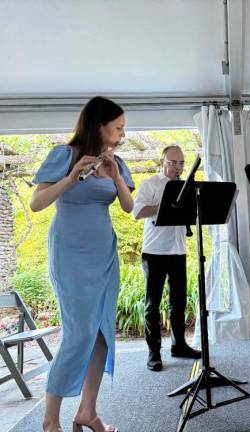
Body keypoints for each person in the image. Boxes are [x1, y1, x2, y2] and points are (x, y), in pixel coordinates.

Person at [30, 96, 134, 432]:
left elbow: (129, 206)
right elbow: (36, 203)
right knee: (79, 334)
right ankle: (50, 420)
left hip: (104, 254)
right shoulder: (63, 155)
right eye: (117, 127)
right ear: (98, 125)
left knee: (103, 332)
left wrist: (115, 176)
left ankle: (87, 412)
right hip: (70, 254)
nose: (121, 134)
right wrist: (72, 177)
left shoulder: (116, 161)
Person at [133, 145, 201, 372]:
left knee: (178, 302)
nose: (178, 167)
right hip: (154, 252)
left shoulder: (187, 186)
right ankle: (153, 353)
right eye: (173, 163)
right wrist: (163, 205)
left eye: (181, 163)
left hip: (178, 251)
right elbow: (137, 212)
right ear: (162, 161)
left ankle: (179, 345)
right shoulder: (150, 184)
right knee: (152, 304)